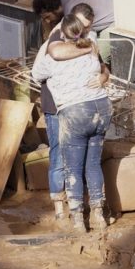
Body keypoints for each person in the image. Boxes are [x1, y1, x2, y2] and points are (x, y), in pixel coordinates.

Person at [32, 14, 113, 233]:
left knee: (73, 168)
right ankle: (98, 215)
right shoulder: (92, 50)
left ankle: (78, 220)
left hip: (76, 112)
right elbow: (104, 70)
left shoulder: (53, 58)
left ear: (61, 36)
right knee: (93, 164)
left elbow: (36, 73)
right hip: (101, 109)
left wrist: (47, 44)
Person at [32, 0, 114, 63]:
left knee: (99, 56)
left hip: (116, 20)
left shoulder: (71, 12)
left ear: (56, 8)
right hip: (113, 8)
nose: (48, 21)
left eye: (48, 16)